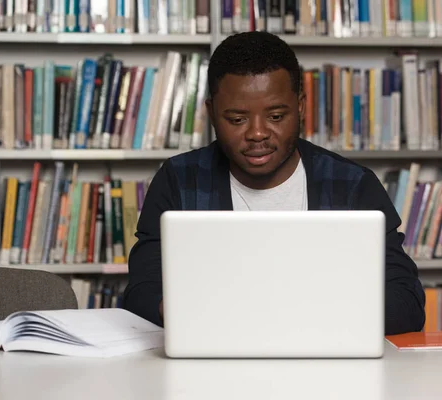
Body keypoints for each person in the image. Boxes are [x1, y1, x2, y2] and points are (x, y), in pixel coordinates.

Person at [123, 31, 425, 336]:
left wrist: (299, 315)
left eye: (276, 116)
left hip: (326, 364)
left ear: (301, 107)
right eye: (237, 119)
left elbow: (407, 306)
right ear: (211, 113)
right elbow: (140, 295)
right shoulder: (178, 180)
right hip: (210, 364)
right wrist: (189, 311)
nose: (257, 133)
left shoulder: (352, 184)